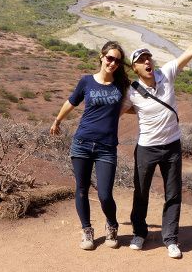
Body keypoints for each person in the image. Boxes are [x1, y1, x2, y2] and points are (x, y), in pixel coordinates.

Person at [121, 10, 192, 259]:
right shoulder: (132, 91)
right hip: (147, 147)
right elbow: (123, 110)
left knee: (173, 193)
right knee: (141, 191)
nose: (147, 62)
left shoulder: (166, 73)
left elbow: (191, 51)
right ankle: (139, 233)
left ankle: (170, 238)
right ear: (135, 68)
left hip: (171, 146)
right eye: (141, 60)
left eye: (149, 58)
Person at [50, 41, 130, 250]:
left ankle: (112, 225)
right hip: (82, 143)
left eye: (117, 60)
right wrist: (57, 120)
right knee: (82, 190)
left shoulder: (121, 86)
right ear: (101, 57)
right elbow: (71, 102)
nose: (112, 63)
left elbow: (131, 106)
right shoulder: (86, 81)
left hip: (106, 147)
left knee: (104, 193)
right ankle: (87, 231)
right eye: (109, 58)